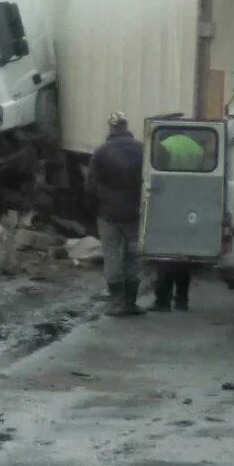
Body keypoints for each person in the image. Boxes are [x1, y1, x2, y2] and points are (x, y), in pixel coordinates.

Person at [86, 110, 144, 317]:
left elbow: (90, 185)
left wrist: (94, 210)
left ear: (111, 127)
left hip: (108, 214)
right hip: (135, 213)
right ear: (126, 126)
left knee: (111, 255)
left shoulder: (101, 152)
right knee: (133, 256)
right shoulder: (141, 149)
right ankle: (131, 303)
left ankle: (117, 303)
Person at [149, 129, 206, 312]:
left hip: (168, 202)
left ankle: (162, 301)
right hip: (189, 202)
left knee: (166, 254)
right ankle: (182, 300)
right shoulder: (197, 149)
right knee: (184, 255)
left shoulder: (164, 146)